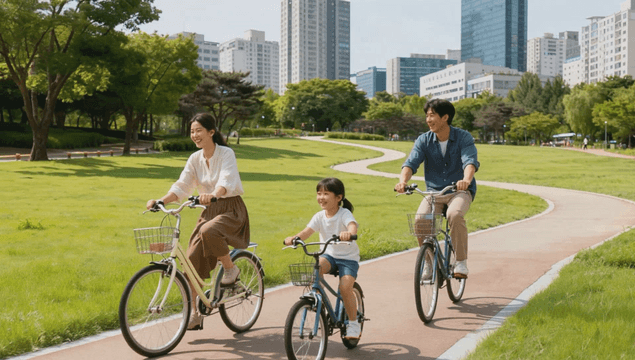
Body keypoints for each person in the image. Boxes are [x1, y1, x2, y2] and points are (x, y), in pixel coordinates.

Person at [146, 113, 250, 330]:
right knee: (191, 261)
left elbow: (227, 180)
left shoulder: (226, 153)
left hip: (230, 208)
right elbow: (182, 185)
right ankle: (195, 312)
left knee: (209, 230)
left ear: (211, 132)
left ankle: (230, 270)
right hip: (207, 209)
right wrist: (161, 200)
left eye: (198, 130)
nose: (194, 135)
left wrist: (214, 194)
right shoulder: (195, 158)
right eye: (192, 131)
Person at [394, 99, 479, 279]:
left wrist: (466, 180)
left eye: (432, 115)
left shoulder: (463, 137)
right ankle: (429, 262)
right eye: (427, 115)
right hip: (434, 192)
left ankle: (461, 262)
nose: (428, 119)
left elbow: (470, 161)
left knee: (454, 215)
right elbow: (411, 163)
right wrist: (402, 181)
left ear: (445, 117)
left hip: (458, 191)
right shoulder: (424, 140)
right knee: (420, 221)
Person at [284, 178, 361, 339]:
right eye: (319, 193)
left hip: (348, 258)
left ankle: (353, 324)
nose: (321, 197)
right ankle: (320, 302)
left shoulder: (344, 214)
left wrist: (349, 233)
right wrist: (294, 238)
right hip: (329, 255)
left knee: (345, 287)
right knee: (315, 272)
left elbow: (352, 225)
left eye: (326, 194)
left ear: (338, 198)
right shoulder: (319, 216)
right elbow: (306, 232)